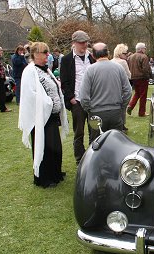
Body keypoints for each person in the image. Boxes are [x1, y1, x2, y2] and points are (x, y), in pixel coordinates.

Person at [18, 42, 69, 188]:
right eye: (44, 52)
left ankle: (55, 173)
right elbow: (31, 95)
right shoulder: (30, 71)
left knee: (55, 147)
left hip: (51, 116)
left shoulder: (45, 69)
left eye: (48, 52)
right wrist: (49, 103)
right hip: (41, 117)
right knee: (44, 147)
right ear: (35, 54)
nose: (48, 55)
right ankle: (44, 178)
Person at [79, 42, 132, 140]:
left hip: (96, 113)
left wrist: (89, 109)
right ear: (107, 53)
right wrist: (122, 106)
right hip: (115, 112)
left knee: (97, 144)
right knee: (117, 143)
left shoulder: (90, 70)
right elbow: (128, 91)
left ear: (93, 55)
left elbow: (83, 97)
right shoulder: (119, 68)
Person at [60, 30, 95, 165]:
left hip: (92, 101)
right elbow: (64, 82)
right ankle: (79, 158)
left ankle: (93, 157)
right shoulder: (67, 59)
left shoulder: (91, 57)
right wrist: (71, 98)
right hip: (77, 102)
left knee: (94, 131)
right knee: (79, 132)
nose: (84, 45)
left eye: (86, 42)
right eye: (81, 42)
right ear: (74, 43)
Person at [127, 42, 152, 117]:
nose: (145, 49)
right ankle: (141, 112)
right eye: (144, 48)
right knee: (143, 95)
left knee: (137, 93)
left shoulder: (130, 57)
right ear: (141, 49)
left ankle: (130, 106)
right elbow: (146, 69)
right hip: (142, 78)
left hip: (133, 78)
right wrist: (150, 76)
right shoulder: (144, 57)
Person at [111, 43, 131, 131]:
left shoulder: (110, 61)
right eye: (125, 53)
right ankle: (121, 125)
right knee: (122, 108)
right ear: (120, 53)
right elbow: (129, 75)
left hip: (112, 88)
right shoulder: (123, 62)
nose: (126, 55)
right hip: (121, 88)